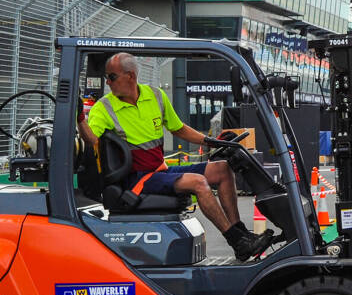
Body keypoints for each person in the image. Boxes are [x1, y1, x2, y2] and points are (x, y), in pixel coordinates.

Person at [79, 52, 273, 261]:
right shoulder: (104, 107)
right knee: (198, 182)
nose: (108, 82)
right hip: (138, 178)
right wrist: (80, 118)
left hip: (159, 171)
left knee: (223, 169)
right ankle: (236, 240)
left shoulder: (155, 96)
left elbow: (178, 128)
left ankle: (242, 235)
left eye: (112, 77)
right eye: (107, 77)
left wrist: (211, 141)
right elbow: (91, 139)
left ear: (131, 76)